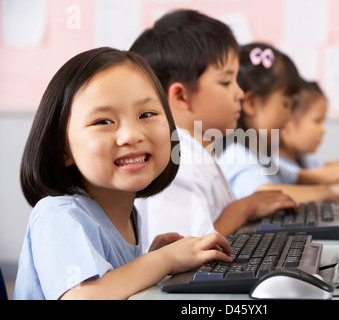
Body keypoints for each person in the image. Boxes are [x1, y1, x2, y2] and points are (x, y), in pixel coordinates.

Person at [13, 47, 232, 300]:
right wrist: (164, 260)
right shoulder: (58, 214)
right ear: (62, 149)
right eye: (103, 121)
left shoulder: (129, 215)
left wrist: (150, 259)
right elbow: (83, 297)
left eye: (147, 114)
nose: (132, 135)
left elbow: (115, 286)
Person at [130, 9, 297, 250]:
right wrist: (243, 209)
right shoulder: (175, 164)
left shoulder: (194, 150)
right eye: (226, 82)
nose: (239, 93)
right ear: (181, 95)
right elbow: (184, 253)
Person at [217, 43, 339, 203]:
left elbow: (305, 177)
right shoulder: (236, 155)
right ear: (251, 105)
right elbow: (263, 195)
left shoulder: (262, 157)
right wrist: (330, 190)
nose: (289, 115)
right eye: (286, 104)